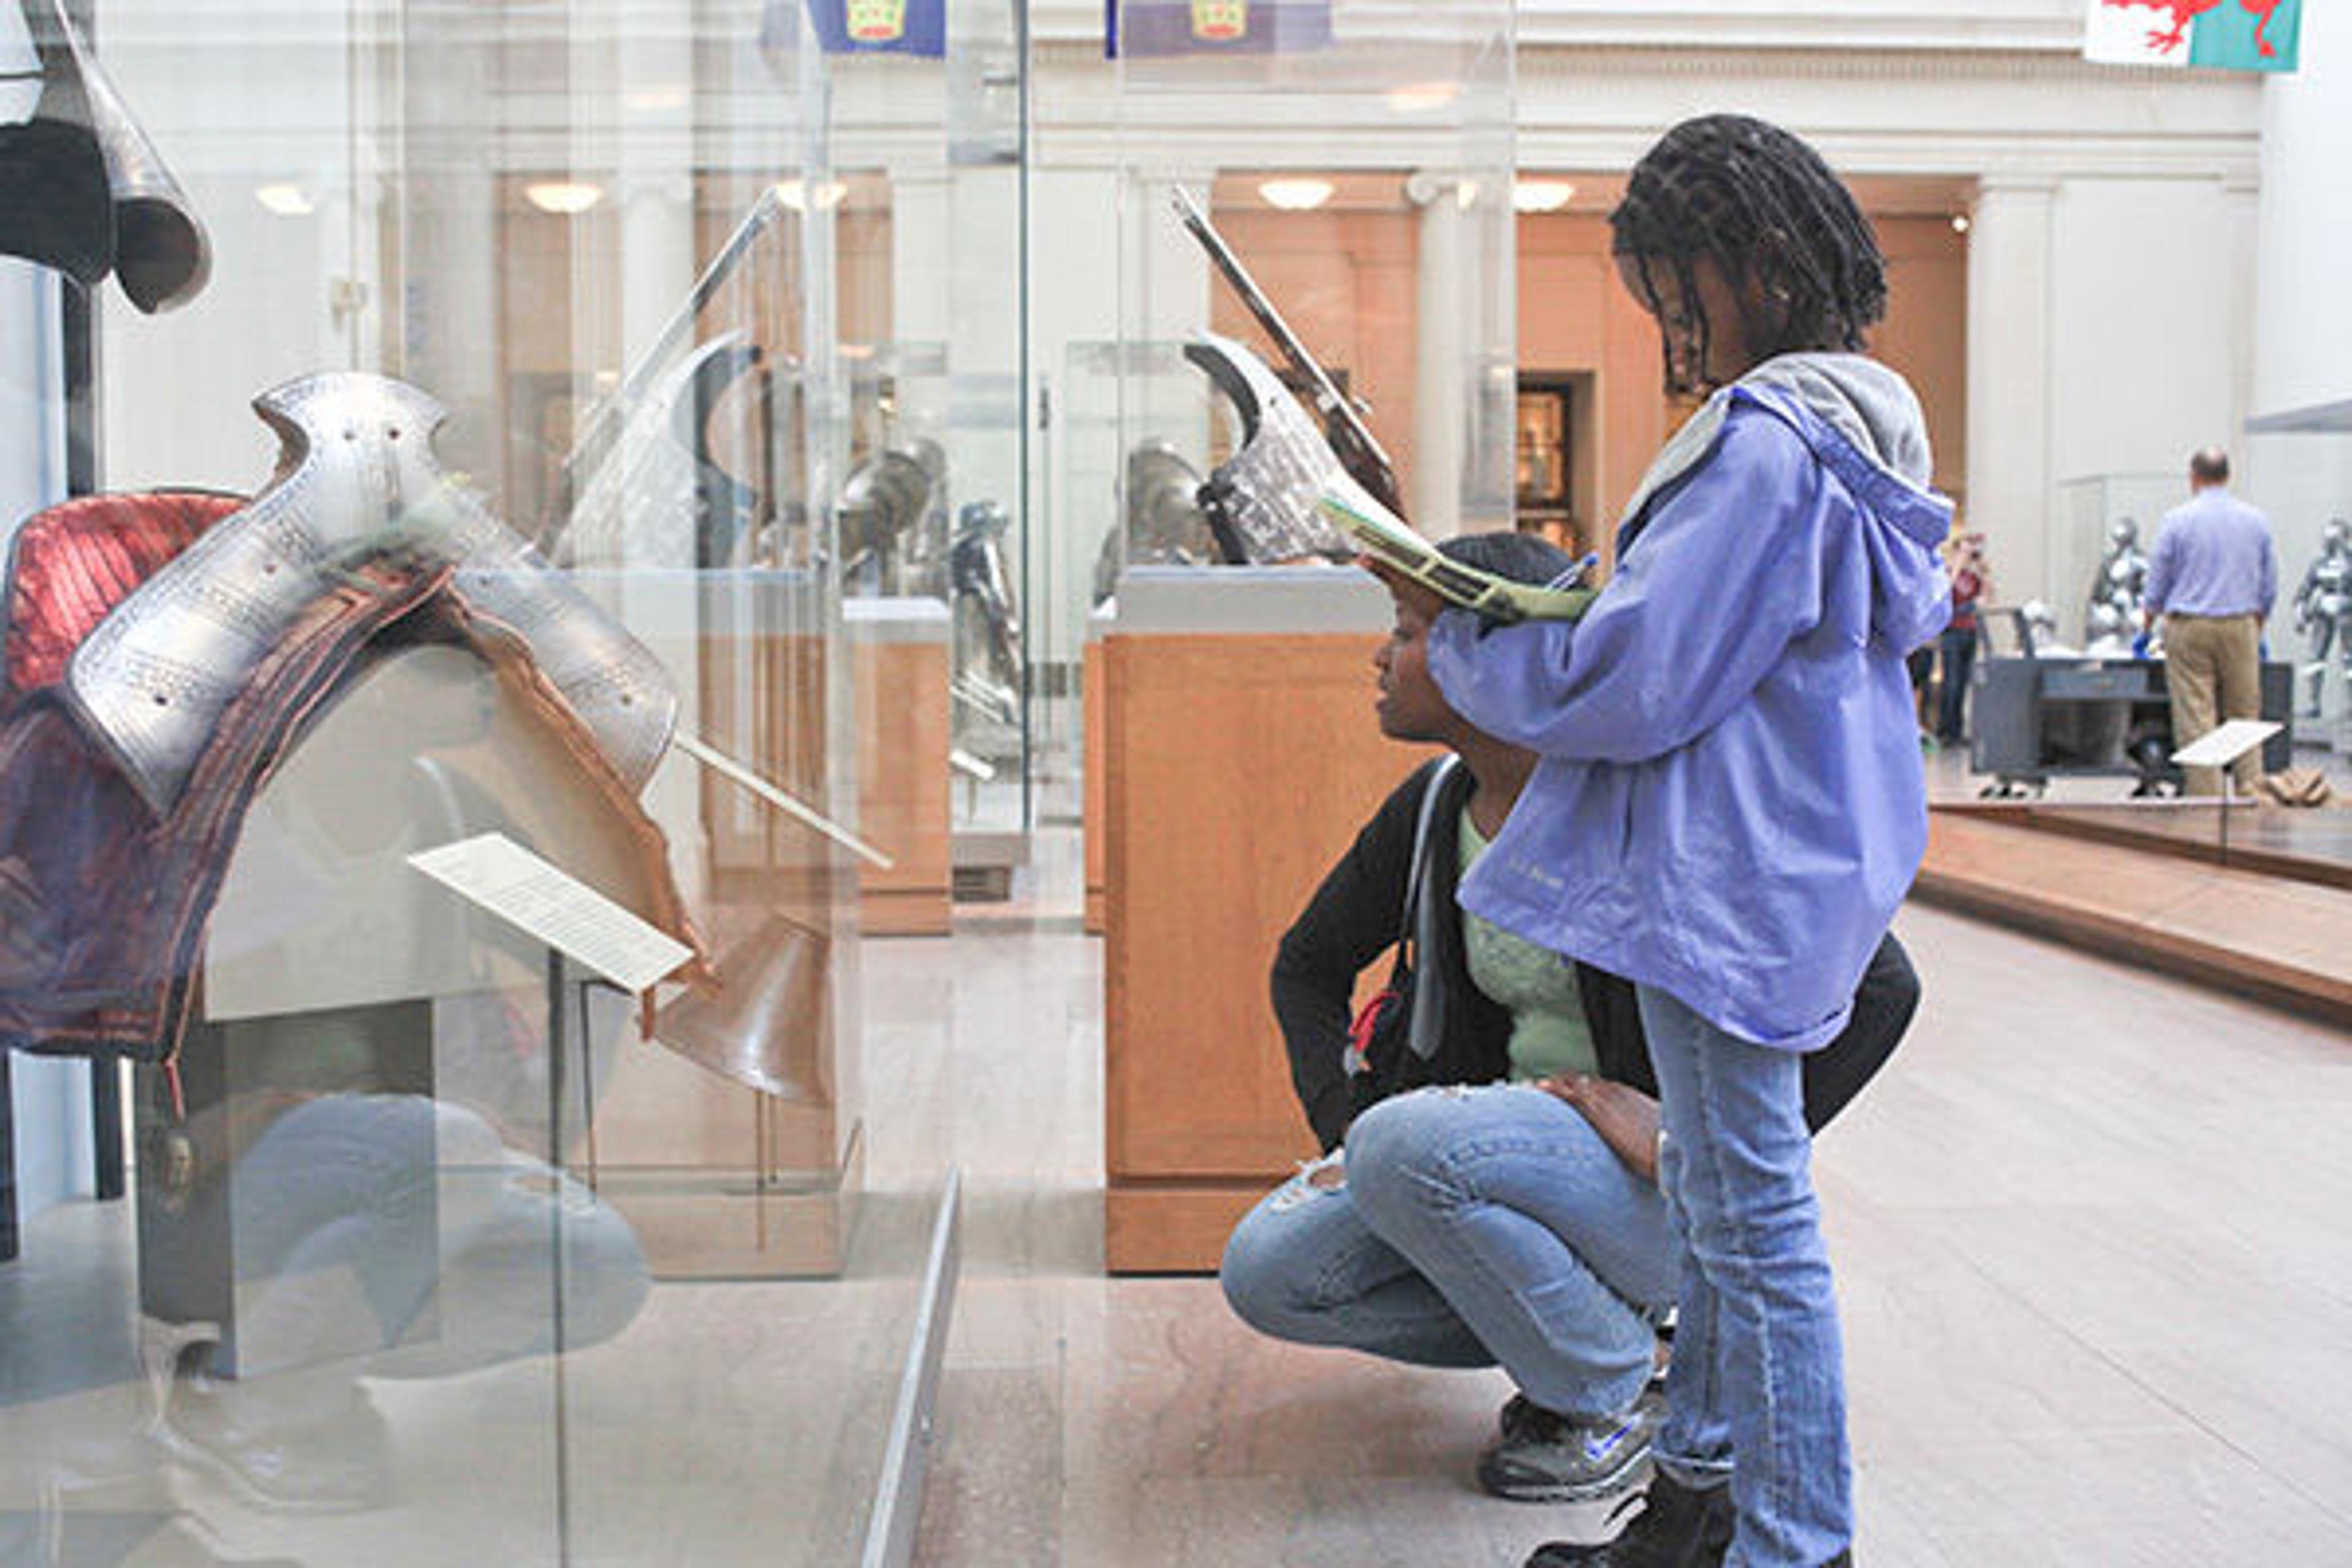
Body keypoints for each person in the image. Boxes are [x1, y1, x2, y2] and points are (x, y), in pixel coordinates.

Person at [1420, 116, 1952, 1568]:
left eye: (1679, 289)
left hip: (1729, 874)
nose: (1669, 326)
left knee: (1753, 1221)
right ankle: (1703, 1506)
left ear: (1760, 264)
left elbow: (1639, 676)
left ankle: (1788, 1542)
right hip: (1777, 859)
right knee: (1724, 1205)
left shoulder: (1770, 447)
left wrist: (1463, 651)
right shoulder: (1853, 429)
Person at [1220, 530, 1919, 1511]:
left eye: (1411, 632)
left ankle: (1615, 1394)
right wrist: (1347, 1126)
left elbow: (1885, 988)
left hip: (1649, 1195)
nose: (1381, 656)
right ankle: (1607, 1346)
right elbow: (1307, 966)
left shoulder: (1653, 808)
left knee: (1406, 1151)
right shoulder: (1433, 809)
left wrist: (1700, 1143)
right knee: (1270, 1274)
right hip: (1461, 1158)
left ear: (1502, 656)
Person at [2143, 448, 2278, 794]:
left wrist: (2148, 622)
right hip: (2241, 623)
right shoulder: (2256, 520)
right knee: (2245, 713)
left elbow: (2158, 577)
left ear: (2194, 477)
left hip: (2190, 625)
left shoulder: (2178, 520)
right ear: (2227, 475)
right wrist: (2256, 623)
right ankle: (2252, 791)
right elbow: (2269, 582)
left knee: (2196, 715)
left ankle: (2206, 795)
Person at [1936, 530, 1989, 747]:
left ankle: (1958, 731)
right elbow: (1944, 591)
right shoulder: (1948, 572)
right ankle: (1945, 730)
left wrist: (1985, 573)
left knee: (1964, 683)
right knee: (1952, 682)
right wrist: (1958, 563)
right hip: (1952, 631)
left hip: (1970, 630)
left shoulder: (1974, 576)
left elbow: (1986, 599)